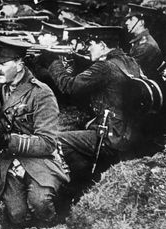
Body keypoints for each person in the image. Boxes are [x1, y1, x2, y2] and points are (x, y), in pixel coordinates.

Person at [47, 26, 146, 199]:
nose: (87, 48)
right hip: (128, 133)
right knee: (79, 126)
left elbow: (69, 86)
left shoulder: (105, 67)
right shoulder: (129, 61)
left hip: (111, 136)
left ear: (102, 45)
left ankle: (81, 185)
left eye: (90, 44)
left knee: (58, 140)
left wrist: (53, 62)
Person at [0, 36, 70, 228]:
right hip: (11, 158)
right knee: (16, 214)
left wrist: (10, 140)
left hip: (39, 159)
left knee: (40, 204)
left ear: (19, 65)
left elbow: (48, 142)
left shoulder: (41, 93)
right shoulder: (0, 85)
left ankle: (53, 228)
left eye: (2, 63)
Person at [125, 3, 163, 81]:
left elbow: (129, 72)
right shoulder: (139, 42)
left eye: (131, 19)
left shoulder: (146, 45)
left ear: (141, 22)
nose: (127, 22)